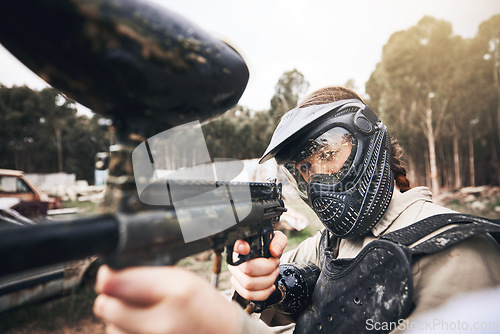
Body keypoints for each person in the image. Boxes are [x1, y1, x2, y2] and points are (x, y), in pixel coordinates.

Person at [94, 86, 500, 333]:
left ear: (369, 141)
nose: (316, 178)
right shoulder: (331, 244)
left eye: (326, 154)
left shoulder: (454, 251)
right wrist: (261, 285)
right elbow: (280, 286)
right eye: (303, 168)